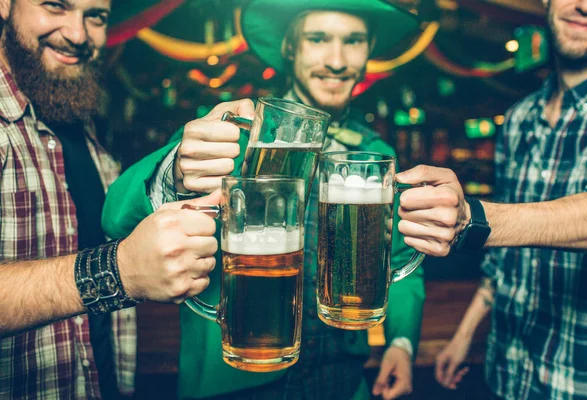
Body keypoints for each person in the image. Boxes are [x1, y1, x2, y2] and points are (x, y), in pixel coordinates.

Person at [102, 1, 425, 399]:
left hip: (341, 381)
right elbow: (115, 216)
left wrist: (401, 343)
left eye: (353, 40)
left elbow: (394, 259)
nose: (337, 60)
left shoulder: (374, 152)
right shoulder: (229, 134)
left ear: (369, 48)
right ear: (291, 48)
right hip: (235, 381)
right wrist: (175, 170)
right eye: (318, 39)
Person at [0, 0, 231, 398]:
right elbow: (122, 263)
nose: (77, 34)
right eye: (55, 6)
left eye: (96, 16)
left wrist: (179, 168)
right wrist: (117, 271)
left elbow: (118, 217)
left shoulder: (76, 117)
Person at [395, 0, 587, 398]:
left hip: (581, 381)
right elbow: (507, 264)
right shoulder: (520, 117)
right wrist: (465, 334)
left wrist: (474, 218)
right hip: (508, 373)